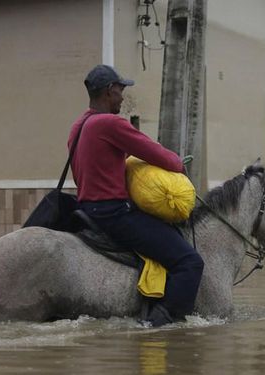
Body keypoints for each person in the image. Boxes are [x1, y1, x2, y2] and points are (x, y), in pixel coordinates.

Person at [69, 64, 204, 327]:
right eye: (121, 91)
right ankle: (159, 323)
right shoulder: (110, 123)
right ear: (109, 92)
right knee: (190, 261)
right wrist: (178, 163)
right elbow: (153, 152)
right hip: (113, 214)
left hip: (85, 208)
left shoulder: (79, 125)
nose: (123, 97)